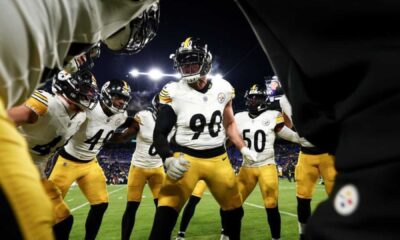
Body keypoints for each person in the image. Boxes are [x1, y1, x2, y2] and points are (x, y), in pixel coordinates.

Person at [0, 1, 159, 238]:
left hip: (57, 165)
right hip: (43, 162)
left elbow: (112, 134)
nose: (88, 96)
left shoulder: (82, 113)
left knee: (68, 218)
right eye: (84, 91)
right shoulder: (51, 103)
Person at [148, 37, 258, 240]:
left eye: (193, 62)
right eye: (184, 64)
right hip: (186, 158)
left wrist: (242, 148)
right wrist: (168, 157)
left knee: (235, 212)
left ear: (205, 62)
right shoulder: (174, 91)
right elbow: (160, 132)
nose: (188, 69)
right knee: (164, 215)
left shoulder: (223, 88)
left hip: (219, 159)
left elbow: (230, 123)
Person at [7, 70, 98, 240]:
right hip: (10, 168)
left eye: (91, 91)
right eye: (86, 89)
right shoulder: (45, 102)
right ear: (67, 85)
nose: (89, 95)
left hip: (35, 173)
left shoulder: (79, 116)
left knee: (62, 221)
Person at [47, 79, 130, 240]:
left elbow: (108, 134)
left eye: (125, 99)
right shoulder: (87, 109)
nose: (121, 102)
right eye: (118, 97)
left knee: (100, 204)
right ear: (107, 94)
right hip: (67, 161)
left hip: (90, 162)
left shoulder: (121, 116)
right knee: (50, 209)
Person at [234, 84, 303, 240]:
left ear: (263, 99)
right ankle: (228, 234)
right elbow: (230, 137)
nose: (253, 101)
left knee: (271, 205)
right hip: (246, 167)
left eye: (256, 97)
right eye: (250, 98)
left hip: (267, 165)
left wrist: (301, 140)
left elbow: (286, 133)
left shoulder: (273, 114)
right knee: (233, 204)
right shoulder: (239, 117)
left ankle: (276, 238)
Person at [279, 94, 336, 240]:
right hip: (306, 154)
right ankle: (303, 235)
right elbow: (285, 126)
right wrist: (295, 137)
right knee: (302, 198)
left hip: (328, 153)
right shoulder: (284, 100)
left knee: (337, 198)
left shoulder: (323, 91)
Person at [116, 93, 167, 240]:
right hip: (139, 167)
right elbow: (123, 137)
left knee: (163, 208)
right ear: (157, 106)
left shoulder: (174, 122)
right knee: (132, 207)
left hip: (158, 168)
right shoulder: (144, 117)